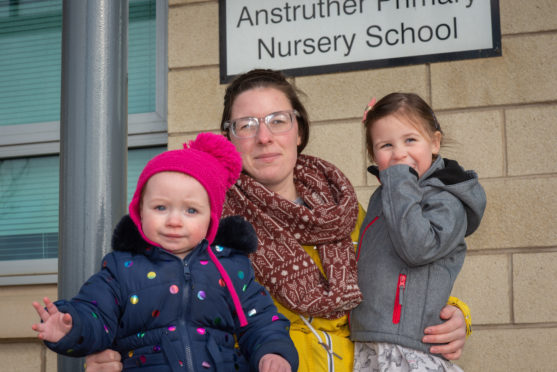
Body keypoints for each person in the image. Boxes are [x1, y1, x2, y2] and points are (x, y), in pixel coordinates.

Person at [84, 69, 471, 372]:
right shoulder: (203, 222)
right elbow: (146, 299)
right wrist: (108, 349)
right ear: (230, 139)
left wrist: (455, 317)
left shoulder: (346, 210)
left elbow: (398, 276)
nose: (264, 137)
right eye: (247, 125)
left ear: (298, 130)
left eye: (277, 120)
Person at [32, 132, 299, 372]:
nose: (174, 221)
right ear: (139, 211)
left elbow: (262, 320)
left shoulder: (231, 268)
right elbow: (95, 313)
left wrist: (273, 352)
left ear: (211, 219)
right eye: (160, 207)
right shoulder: (121, 269)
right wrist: (71, 326)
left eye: (191, 210)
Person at [350, 93, 486, 371]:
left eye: (410, 140)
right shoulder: (384, 196)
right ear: (373, 155)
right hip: (371, 338)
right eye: (386, 145)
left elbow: (418, 248)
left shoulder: (446, 198)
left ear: (434, 143)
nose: (399, 153)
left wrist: (398, 180)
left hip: (409, 344)